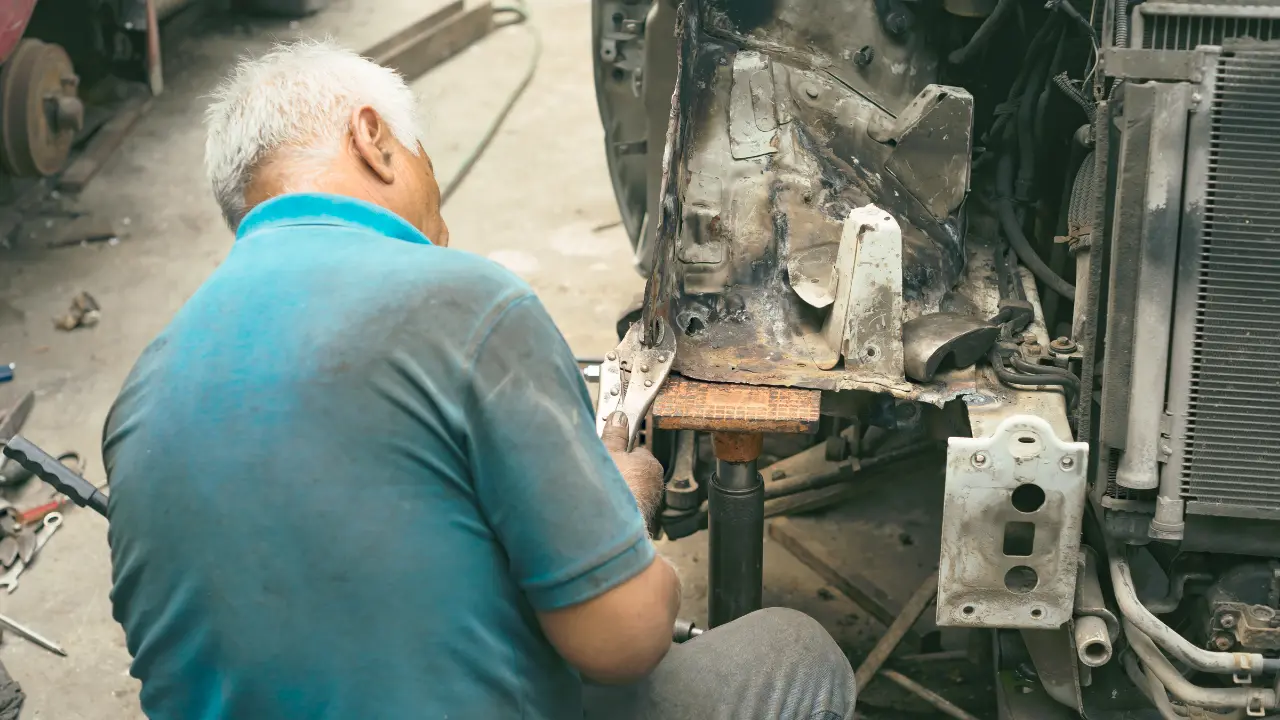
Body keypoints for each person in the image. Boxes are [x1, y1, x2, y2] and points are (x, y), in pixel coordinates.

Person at [102, 39, 857, 720]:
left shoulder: (144, 388)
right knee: (792, 651)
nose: (442, 216)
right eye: (423, 155)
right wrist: (620, 509)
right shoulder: (466, 303)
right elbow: (625, 642)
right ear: (373, 138)